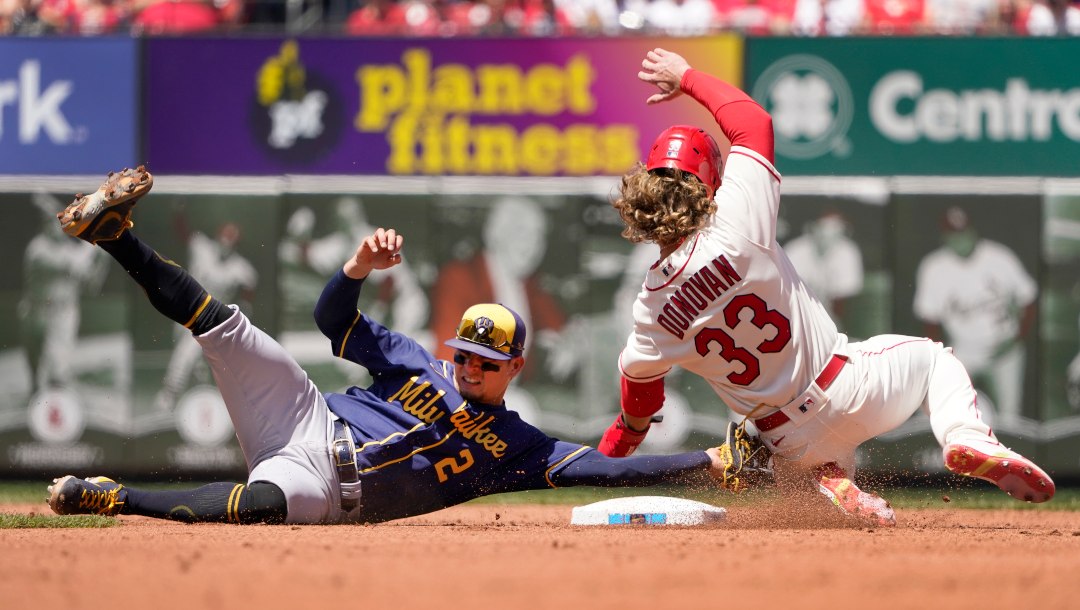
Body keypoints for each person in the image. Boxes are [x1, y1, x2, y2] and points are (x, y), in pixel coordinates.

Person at [46, 166, 754, 525]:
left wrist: (710, 462)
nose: (469, 366)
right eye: (464, 353)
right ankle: (116, 237)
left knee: (260, 508)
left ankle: (110, 496)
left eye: (484, 360)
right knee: (223, 324)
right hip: (305, 418)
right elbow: (333, 322)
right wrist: (356, 269)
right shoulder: (419, 361)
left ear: (515, 367)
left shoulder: (520, 449)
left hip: (328, 489)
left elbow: (607, 470)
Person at [597, 47, 1054, 527]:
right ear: (709, 185)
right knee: (935, 359)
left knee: (792, 482)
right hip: (848, 388)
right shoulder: (735, 222)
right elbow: (752, 121)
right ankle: (967, 437)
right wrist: (686, 76)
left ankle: (828, 478)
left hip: (787, 440)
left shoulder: (650, 310)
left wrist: (607, 461)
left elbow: (638, 409)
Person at [913, 205, 1037, 425]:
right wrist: (944, 359)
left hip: (1005, 345)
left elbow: (1028, 300)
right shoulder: (933, 267)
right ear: (944, 238)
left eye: (964, 233)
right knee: (934, 405)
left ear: (973, 232)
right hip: (964, 348)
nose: (960, 240)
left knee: (1010, 417)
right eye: (953, 235)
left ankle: (1007, 458)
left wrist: (1016, 339)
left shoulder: (1000, 257)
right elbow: (929, 320)